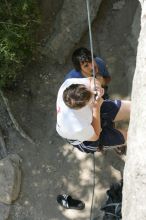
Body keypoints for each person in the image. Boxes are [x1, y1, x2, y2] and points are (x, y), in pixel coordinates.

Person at [56, 77, 130, 154]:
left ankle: (114, 137)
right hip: (86, 138)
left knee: (131, 107)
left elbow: (91, 79)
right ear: (83, 108)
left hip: (94, 106)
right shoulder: (77, 127)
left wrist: (96, 87)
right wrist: (96, 107)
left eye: (89, 91)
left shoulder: (69, 84)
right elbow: (96, 135)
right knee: (128, 136)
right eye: (91, 97)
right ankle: (118, 143)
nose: (93, 94)